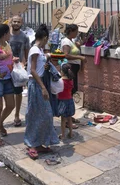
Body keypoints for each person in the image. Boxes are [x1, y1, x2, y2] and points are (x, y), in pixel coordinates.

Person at [24, 24, 59, 159]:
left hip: (40, 83)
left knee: (43, 114)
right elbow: (32, 70)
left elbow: (38, 67)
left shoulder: (39, 50)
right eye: (47, 39)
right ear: (44, 38)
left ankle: (38, 142)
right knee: (36, 114)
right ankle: (31, 143)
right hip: (36, 85)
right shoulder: (34, 50)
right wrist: (43, 88)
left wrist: (45, 64)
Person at [9, 15, 30, 127]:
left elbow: (27, 51)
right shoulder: (7, 35)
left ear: (21, 23)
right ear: (11, 22)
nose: (16, 23)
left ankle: (17, 115)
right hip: (7, 67)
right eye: (14, 21)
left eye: (18, 22)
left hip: (19, 69)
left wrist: (25, 64)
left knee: (18, 93)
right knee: (7, 92)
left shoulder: (24, 37)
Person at [58, 63, 76, 140]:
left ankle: (62, 135)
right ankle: (71, 133)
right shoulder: (71, 80)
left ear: (62, 71)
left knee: (63, 120)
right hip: (70, 100)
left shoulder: (61, 81)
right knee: (69, 118)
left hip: (63, 101)